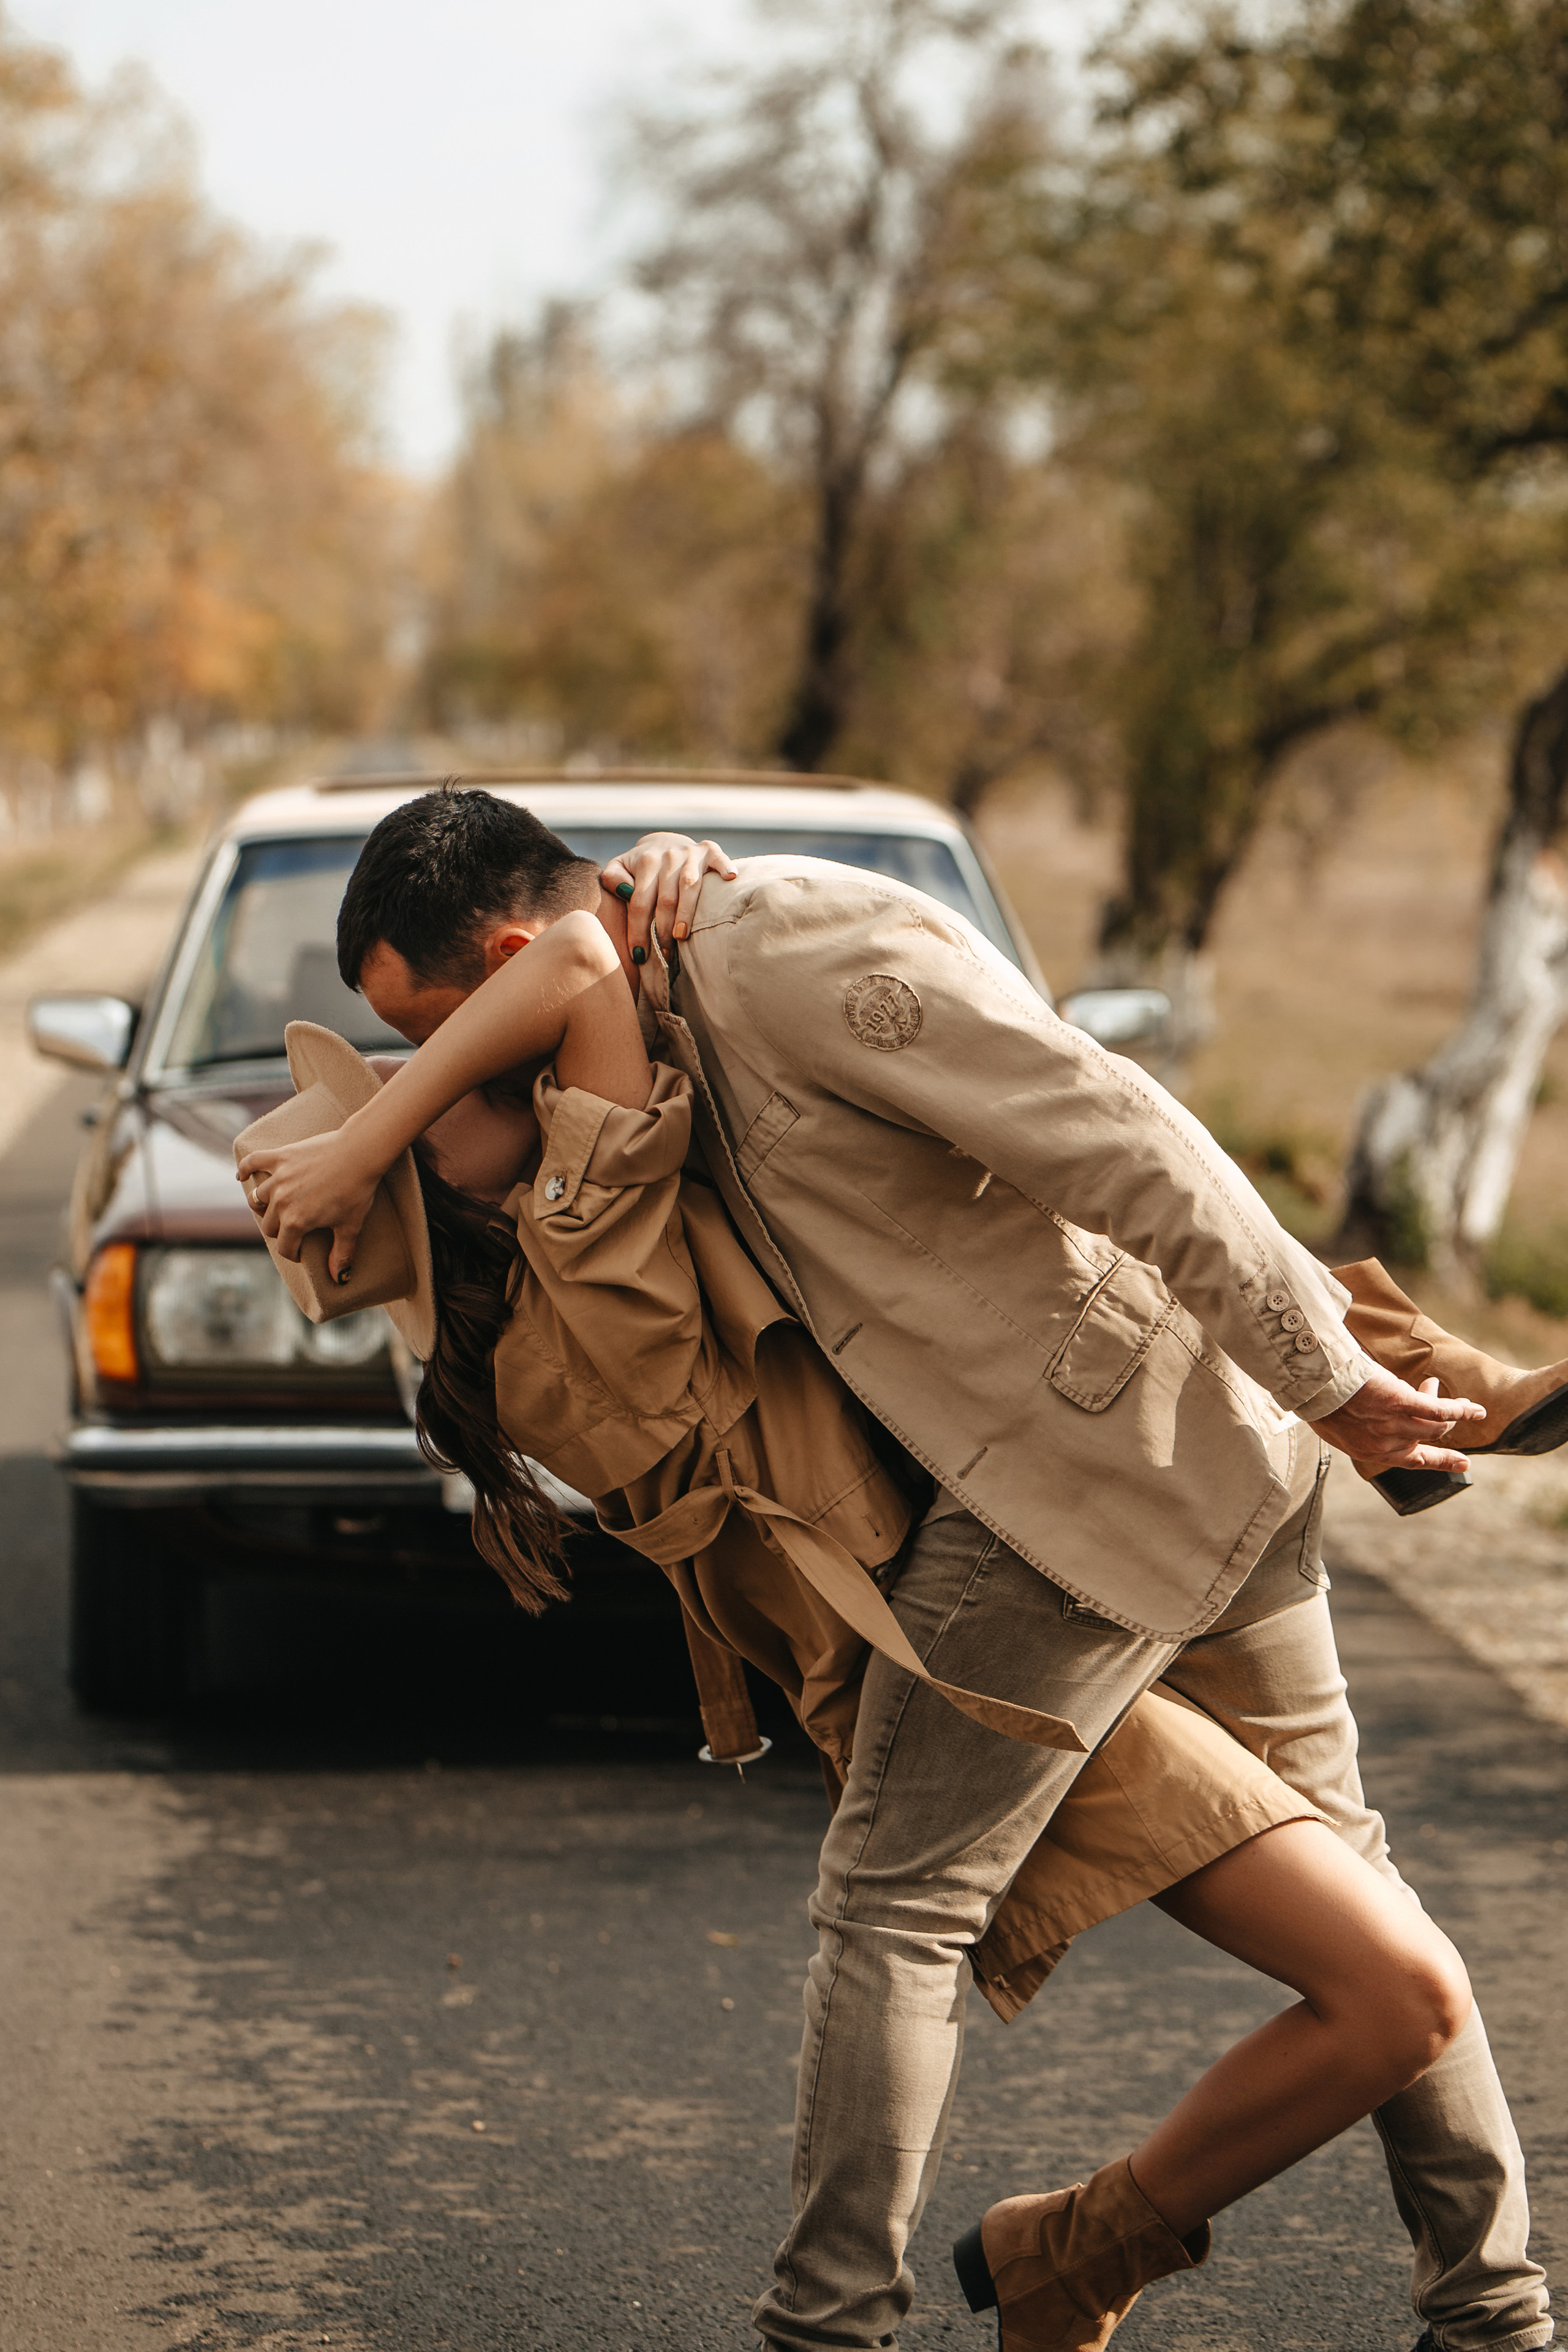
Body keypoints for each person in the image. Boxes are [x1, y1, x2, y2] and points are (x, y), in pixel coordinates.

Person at [239, 793, 1555, 2352]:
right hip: (1104, 1461)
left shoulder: (764, 957)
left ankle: (847, 2320)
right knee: (1332, 1905)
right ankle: (1473, 2316)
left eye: (431, 1044)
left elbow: (1110, 1130)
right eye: (419, 1068)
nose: (439, 1071)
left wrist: (1317, 1368)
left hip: (1092, 1458)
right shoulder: (576, 1214)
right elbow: (581, 971)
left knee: (898, 1913)